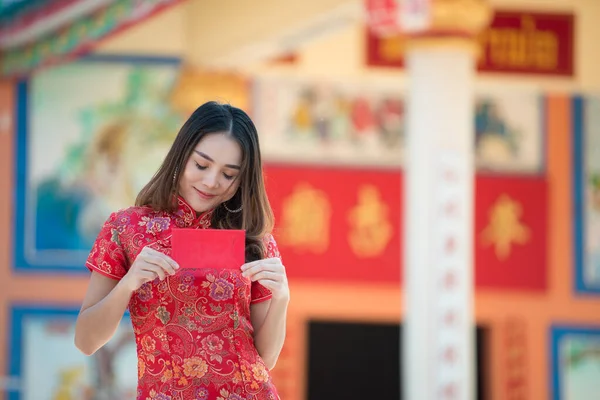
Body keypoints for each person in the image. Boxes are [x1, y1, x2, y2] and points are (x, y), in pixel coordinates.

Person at [74, 101, 289, 400]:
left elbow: (265, 359)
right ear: (182, 155)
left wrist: (282, 299)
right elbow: (85, 341)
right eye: (201, 165)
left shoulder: (253, 240)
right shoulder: (127, 228)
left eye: (229, 174)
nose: (211, 181)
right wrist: (129, 283)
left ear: (243, 179)